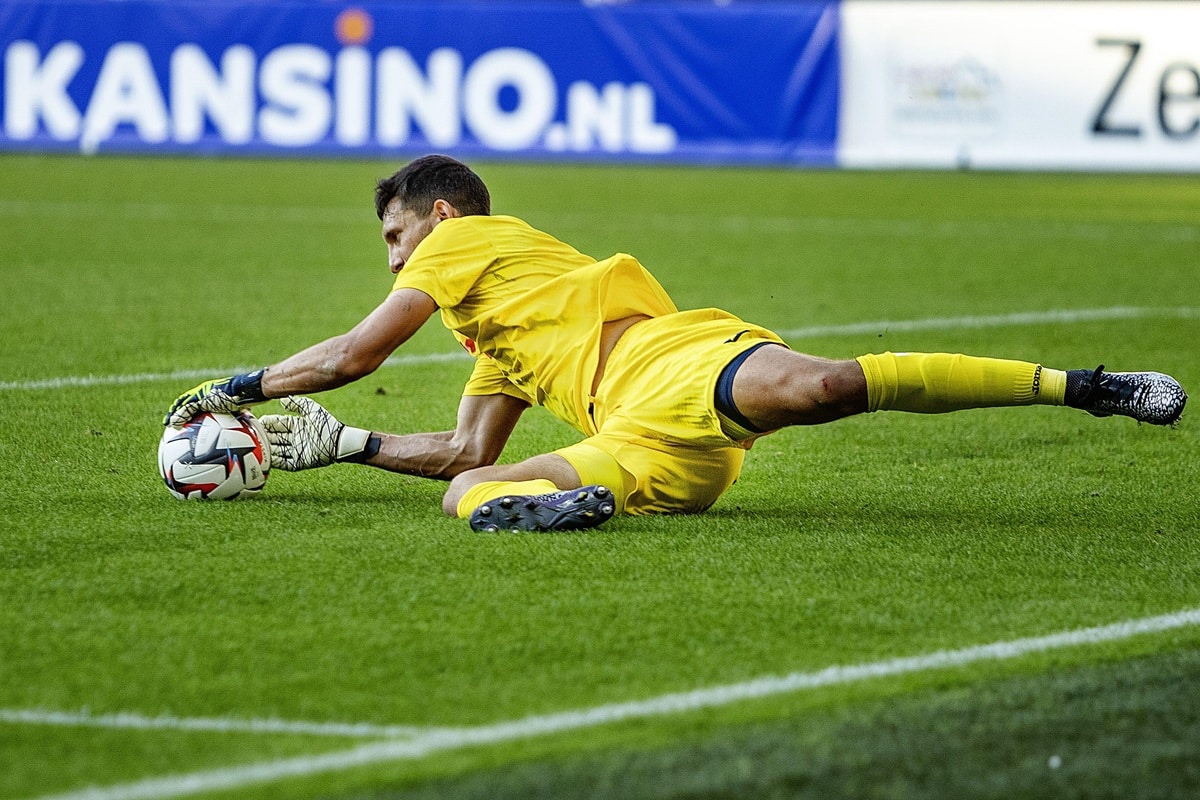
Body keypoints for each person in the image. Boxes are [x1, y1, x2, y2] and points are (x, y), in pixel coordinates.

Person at [164, 155, 1188, 532]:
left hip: (673, 364)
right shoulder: (500, 329)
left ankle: (1086, 385)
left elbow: (355, 354)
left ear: (438, 216)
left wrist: (237, 387)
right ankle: (566, 508)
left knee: (831, 384)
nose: (393, 264)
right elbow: (468, 448)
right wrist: (347, 446)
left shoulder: (468, 240)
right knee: (469, 490)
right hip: (644, 446)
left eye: (395, 239)